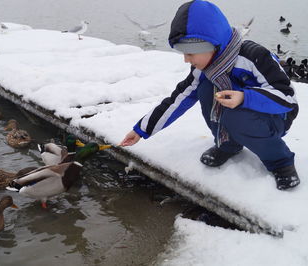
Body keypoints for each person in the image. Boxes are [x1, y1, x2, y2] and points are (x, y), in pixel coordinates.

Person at [119, 0, 300, 190]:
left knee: (235, 115)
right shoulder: (204, 68)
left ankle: (280, 161)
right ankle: (228, 145)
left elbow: (287, 98)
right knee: (205, 89)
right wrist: (142, 130)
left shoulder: (253, 57)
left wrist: (245, 97)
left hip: (276, 117)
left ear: (210, 46)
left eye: (190, 53)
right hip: (239, 113)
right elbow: (178, 98)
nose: (185, 59)